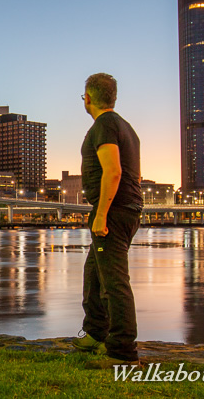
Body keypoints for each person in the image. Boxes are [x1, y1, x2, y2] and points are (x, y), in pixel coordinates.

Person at [71, 72, 143, 364]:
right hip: (123, 208)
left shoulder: (105, 125)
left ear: (88, 98)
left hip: (113, 211)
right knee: (94, 274)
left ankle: (122, 350)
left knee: (114, 282)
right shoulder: (125, 127)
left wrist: (101, 214)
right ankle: (96, 333)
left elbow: (114, 171)